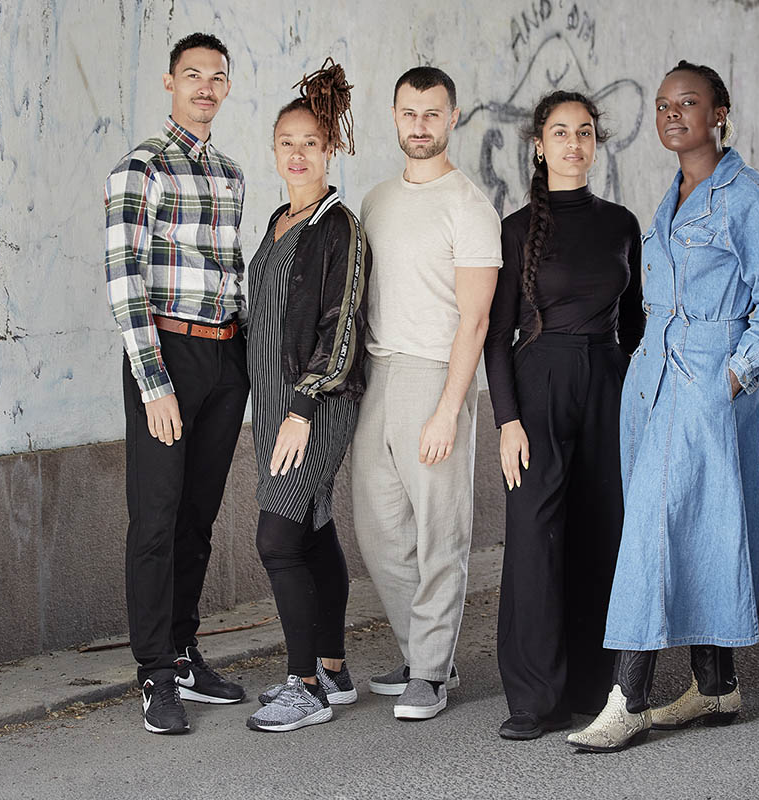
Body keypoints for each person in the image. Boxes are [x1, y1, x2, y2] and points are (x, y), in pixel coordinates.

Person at [567, 60, 759, 753]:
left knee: (651, 531)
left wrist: (733, 374)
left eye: (688, 102)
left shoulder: (748, 196)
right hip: (653, 385)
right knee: (694, 525)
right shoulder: (669, 194)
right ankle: (716, 685)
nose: (672, 114)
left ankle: (627, 698)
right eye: (664, 104)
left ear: (720, 111)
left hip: (705, 382)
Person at [483, 90, 644, 740]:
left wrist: (636, 395)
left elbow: (636, 325)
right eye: (560, 132)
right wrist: (507, 421)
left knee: (602, 532)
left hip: (606, 381)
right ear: (539, 144)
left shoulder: (622, 223)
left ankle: (593, 686)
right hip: (537, 386)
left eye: (583, 132)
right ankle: (534, 700)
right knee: (534, 539)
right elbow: (496, 336)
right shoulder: (516, 228)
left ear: (595, 142)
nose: (573, 143)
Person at [104, 32, 249, 734]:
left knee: (198, 518)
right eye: (191, 75)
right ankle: (154, 672)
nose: (204, 87)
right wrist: (153, 381)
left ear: (226, 89)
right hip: (165, 357)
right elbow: (123, 276)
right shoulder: (142, 167)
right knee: (156, 522)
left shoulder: (230, 172)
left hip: (225, 361)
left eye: (216, 77)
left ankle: (186, 653)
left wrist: (246, 360)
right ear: (169, 83)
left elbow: (233, 272)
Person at [352, 66, 502, 721]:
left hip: (438, 374)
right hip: (379, 374)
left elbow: (476, 319)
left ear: (452, 117)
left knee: (440, 532)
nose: (420, 125)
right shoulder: (377, 200)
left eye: (432, 114)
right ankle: (424, 653)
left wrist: (449, 406)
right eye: (409, 113)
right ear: (394, 115)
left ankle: (432, 674)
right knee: (379, 529)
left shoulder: (469, 207)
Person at [241, 59, 371, 733]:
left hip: (316, 406)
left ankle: (303, 687)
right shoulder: (277, 220)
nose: (298, 154)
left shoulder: (338, 226)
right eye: (287, 143)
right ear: (274, 150)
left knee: (277, 538)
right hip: (271, 408)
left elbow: (340, 325)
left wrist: (301, 407)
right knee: (313, 530)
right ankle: (333, 669)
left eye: (311, 144)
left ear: (330, 149)